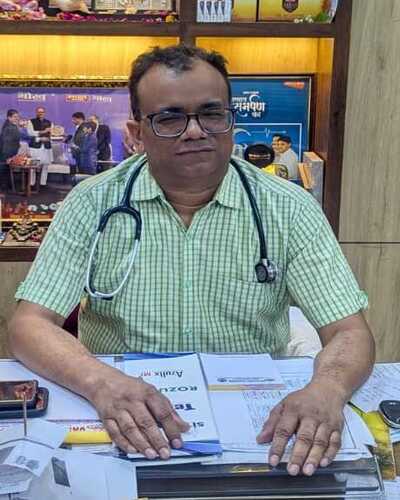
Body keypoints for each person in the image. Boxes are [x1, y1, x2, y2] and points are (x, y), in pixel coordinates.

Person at [8, 45, 375, 476]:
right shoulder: (92, 203)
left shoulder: (288, 207)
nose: (196, 131)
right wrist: (100, 382)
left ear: (231, 122)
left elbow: (349, 331)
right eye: (170, 119)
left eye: (212, 114)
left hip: (256, 430)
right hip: (123, 412)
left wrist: (328, 389)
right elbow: (29, 325)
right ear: (136, 133)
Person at [27, 106, 53, 187]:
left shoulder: (49, 122)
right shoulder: (31, 122)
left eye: (42, 112)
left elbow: (52, 134)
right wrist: (42, 133)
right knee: (33, 166)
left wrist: (49, 138)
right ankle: (31, 183)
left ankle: (43, 184)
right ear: (36, 112)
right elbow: (30, 133)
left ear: (44, 113)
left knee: (45, 166)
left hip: (46, 147)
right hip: (35, 147)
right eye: (39, 112)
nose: (40, 113)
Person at [0, 109, 21, 191]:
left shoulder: (10, 125)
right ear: (9, 117)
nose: (17, 118)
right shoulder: (10, 127)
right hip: (6, 153)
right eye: (15, 117)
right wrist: (8, 157)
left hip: (7, 153)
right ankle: (3, 190)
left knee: (6, 171)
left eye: (17, 117)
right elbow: (6, 142)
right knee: (3, 171)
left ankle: (6, 188)